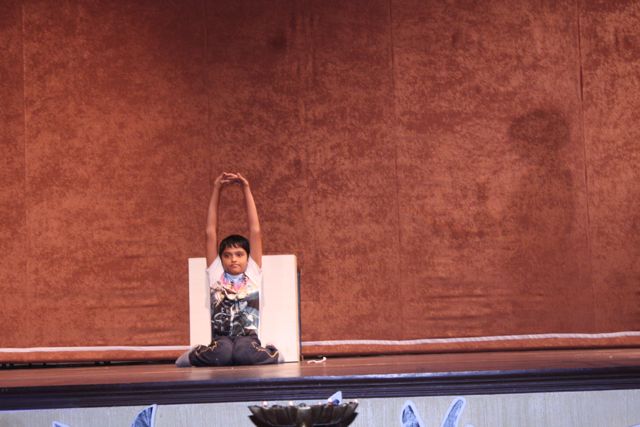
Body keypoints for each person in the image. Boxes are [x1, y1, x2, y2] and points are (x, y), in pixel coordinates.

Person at [176, 172, 280, 367]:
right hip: (221, 338)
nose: (233, 259)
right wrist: (217, 188)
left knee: (243, 353)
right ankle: (193, 355)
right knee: (222, 354)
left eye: (239, 254)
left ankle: (273, 353)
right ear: (221, 259)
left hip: (247, 338)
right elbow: (210, 232)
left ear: (247, 257)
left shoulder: (252, 274)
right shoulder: (217, 275)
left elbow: (255, 231)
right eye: (227, 255)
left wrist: (246, 189)